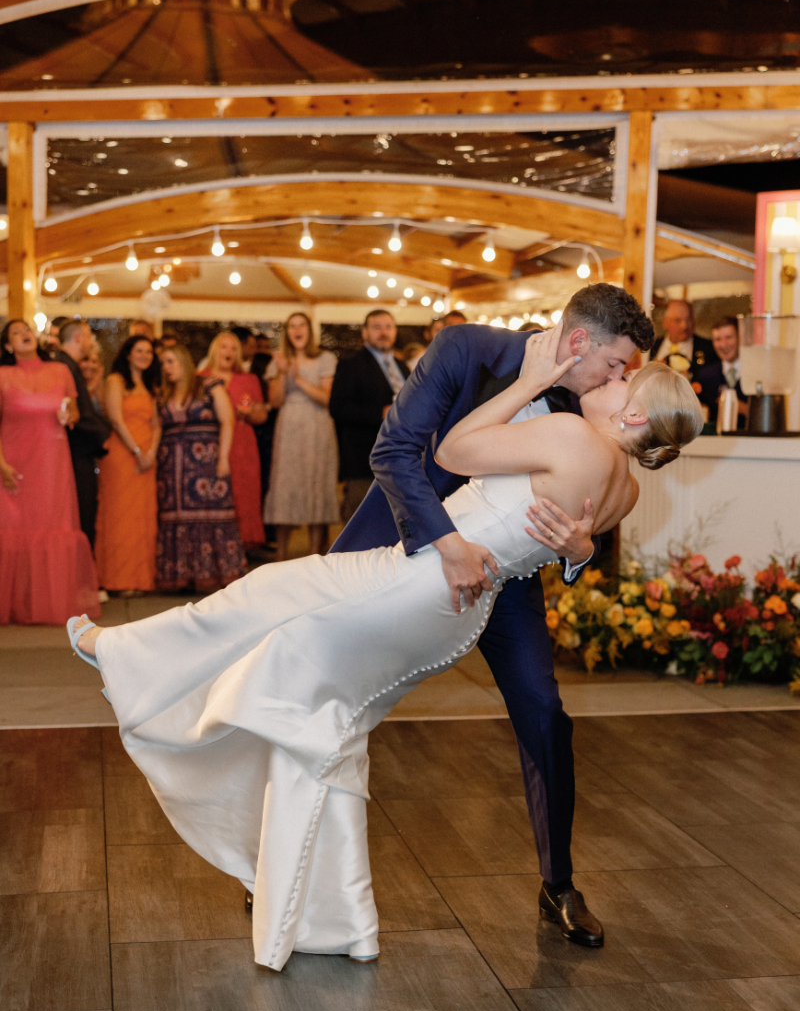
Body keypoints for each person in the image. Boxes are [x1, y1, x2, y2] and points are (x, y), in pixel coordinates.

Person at [70, 344, 701, 971]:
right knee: (327, 718)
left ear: (636, 416)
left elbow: (452, 451)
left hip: (423, 582)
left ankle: (128, 655)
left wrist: (528, 384)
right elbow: (569, 536)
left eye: (627, 378)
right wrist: (583, 548)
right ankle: (329, 911)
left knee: (274, 616)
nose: (615, 376)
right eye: (617, 365)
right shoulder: (626, 490)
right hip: (453, 610)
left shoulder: (568, 432)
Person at [333, 284, 655, 947]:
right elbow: (393, 455)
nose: (621, 381)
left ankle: (558, 885)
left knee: (545, 713)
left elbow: (594, 514)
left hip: (505, 584)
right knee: (334, 699)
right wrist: (448, 547)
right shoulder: (466, 350)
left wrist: (580, 552)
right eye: (617, 366)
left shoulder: (586, 406)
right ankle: (278, 859)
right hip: (407, 549)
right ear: (578, 344)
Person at [0, 319, 100, 624]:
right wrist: (1, 463)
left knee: (52, 525)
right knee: (15, 527)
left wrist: (69, 414)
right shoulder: (3, 375)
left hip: (52, 461)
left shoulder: (59, 370)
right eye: (15, 333)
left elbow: (74, 412)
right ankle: (15, 604)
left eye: (26, 329)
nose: (23, 335)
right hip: (15, 459)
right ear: (7, 346)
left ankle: (49, 604)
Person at [155, 343, 246, 592]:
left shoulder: (210, 385)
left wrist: (223, 458)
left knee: (213, 513)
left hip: (206, 462)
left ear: (184, 361)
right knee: (176, 516)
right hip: (171, 467)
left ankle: (216, 573)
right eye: (163, 363)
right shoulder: (164, 393)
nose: (167, 368)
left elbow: (228, 421)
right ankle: (181, 576)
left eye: (171, 361)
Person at [263, 313, 339, 561]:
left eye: (302, 325)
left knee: (316, 484)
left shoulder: (325, 358)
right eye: (292, 326)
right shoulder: (279, 361)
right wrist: (283, 374)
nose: (297, 330)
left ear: (309, 330)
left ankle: (315, 557)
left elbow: (327, 398)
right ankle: (280, 557)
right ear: (287, 332)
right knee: (286, 484)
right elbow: (275, 401)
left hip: (318, 426)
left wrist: (297, 378)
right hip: (288, 427)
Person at [94, 336, 161, 597]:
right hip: (123, 455)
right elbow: (116, 420)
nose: (144, 355)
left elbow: (156, 424)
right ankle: (116, 579)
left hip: (147, 457)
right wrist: (136, 452)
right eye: (139, 350)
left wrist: (151, 453)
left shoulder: (149, 385)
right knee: (119, 517)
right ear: (128, 354)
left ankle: (139, 578)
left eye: (148, 352)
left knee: (141, 518)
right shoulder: (115, 381)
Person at [329, 310, 409, 523]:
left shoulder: (402, 366)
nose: (383, 332)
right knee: (360, 524)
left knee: (396, 525)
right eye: (377, 327)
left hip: (403, 461)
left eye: (388, 327)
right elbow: (337, 407)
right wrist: (379, 413)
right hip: (364, 460)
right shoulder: (350, 364)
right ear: (364, 332)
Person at [198, 332, 266, 551]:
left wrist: (246, 413)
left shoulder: (249, 380)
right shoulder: (199, 377)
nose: (228, 352)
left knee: (242, 495)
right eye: (223, 347)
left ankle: (241, 547)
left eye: (233, 348)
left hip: (242, 443)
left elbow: (262, 415)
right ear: (214, 350)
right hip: (210, 443)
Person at [55, 319, 111, 548]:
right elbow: (76, 414)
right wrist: (106, 432)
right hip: (75, 452)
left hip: (77, 449)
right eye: (89, 337)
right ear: (78, 338)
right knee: (81, 512)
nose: (91, 342)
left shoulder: (68, 364)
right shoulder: (64, 366)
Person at [694, 316, 747, 429]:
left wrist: (746, 409)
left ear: (740, 338)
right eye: (718, 339)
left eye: (729, 337)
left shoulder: (755, 373)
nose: (723, 345)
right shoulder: (705, 376)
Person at [653, 299, 716, 379]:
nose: (684, 326)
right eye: (678, 320)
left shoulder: (709, 348)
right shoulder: (651, 348)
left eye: (688, 319)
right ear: (665, 322)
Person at [80, 339, 107, 415]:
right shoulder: (74, 384)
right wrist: (91, 387)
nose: (90, 365)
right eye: (85, 360)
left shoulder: (105, 386)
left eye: (94, 362)